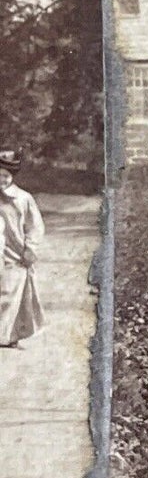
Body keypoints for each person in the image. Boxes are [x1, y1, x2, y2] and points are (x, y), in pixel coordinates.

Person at [0, 148, 45, 349]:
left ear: (12, 176)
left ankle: (8, 335)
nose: (1, 180)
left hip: (15, 252)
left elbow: (34, 226)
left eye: (5, 176)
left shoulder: (23, 198)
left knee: (10, 293)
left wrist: (30, 248)